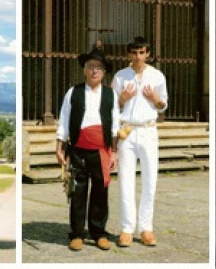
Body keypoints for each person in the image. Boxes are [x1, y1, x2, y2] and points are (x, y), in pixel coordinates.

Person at [55, 47, 119, 251]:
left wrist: (114, 152)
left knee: (100, 192)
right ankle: (76, 234)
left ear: (104, 72)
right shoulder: (73, 92)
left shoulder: (111, 95)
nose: (94, 71)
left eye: (98, 68)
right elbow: (64, 120)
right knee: (78, 192)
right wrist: (59, 147)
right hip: (78, 150)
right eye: (90, 66)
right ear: (84, 69)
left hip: (101, 151)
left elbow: (115, 125)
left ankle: (98, 233)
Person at [111, 37, 168, 248]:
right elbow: (112, 106)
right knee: (126, 181)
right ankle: (127, 229)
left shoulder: (157, 75)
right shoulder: (120, 76)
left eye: (142, 53)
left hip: (148, 130)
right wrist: (122, 100)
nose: (138, 57)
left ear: (148, 54)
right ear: (128, 54)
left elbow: (163, 104)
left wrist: (155, 99)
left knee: (150, 180)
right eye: (134, 53)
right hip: (127, 130)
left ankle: (146, 228)